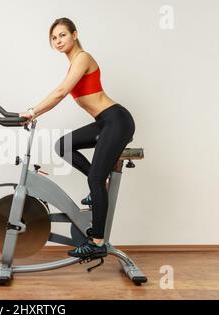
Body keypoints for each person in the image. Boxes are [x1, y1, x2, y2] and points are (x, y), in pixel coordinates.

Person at [19, 18, 136, 260]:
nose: (58, 41)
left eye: (62, 35)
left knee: (95, 177)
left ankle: (98, 242)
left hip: (117, 120)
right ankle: (98, 186)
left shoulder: (82, 57)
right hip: (105, 122)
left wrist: (32, 112)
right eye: (54, 38)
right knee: (63, 145)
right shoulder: (74, 63)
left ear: (74, 34)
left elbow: (61, 92)